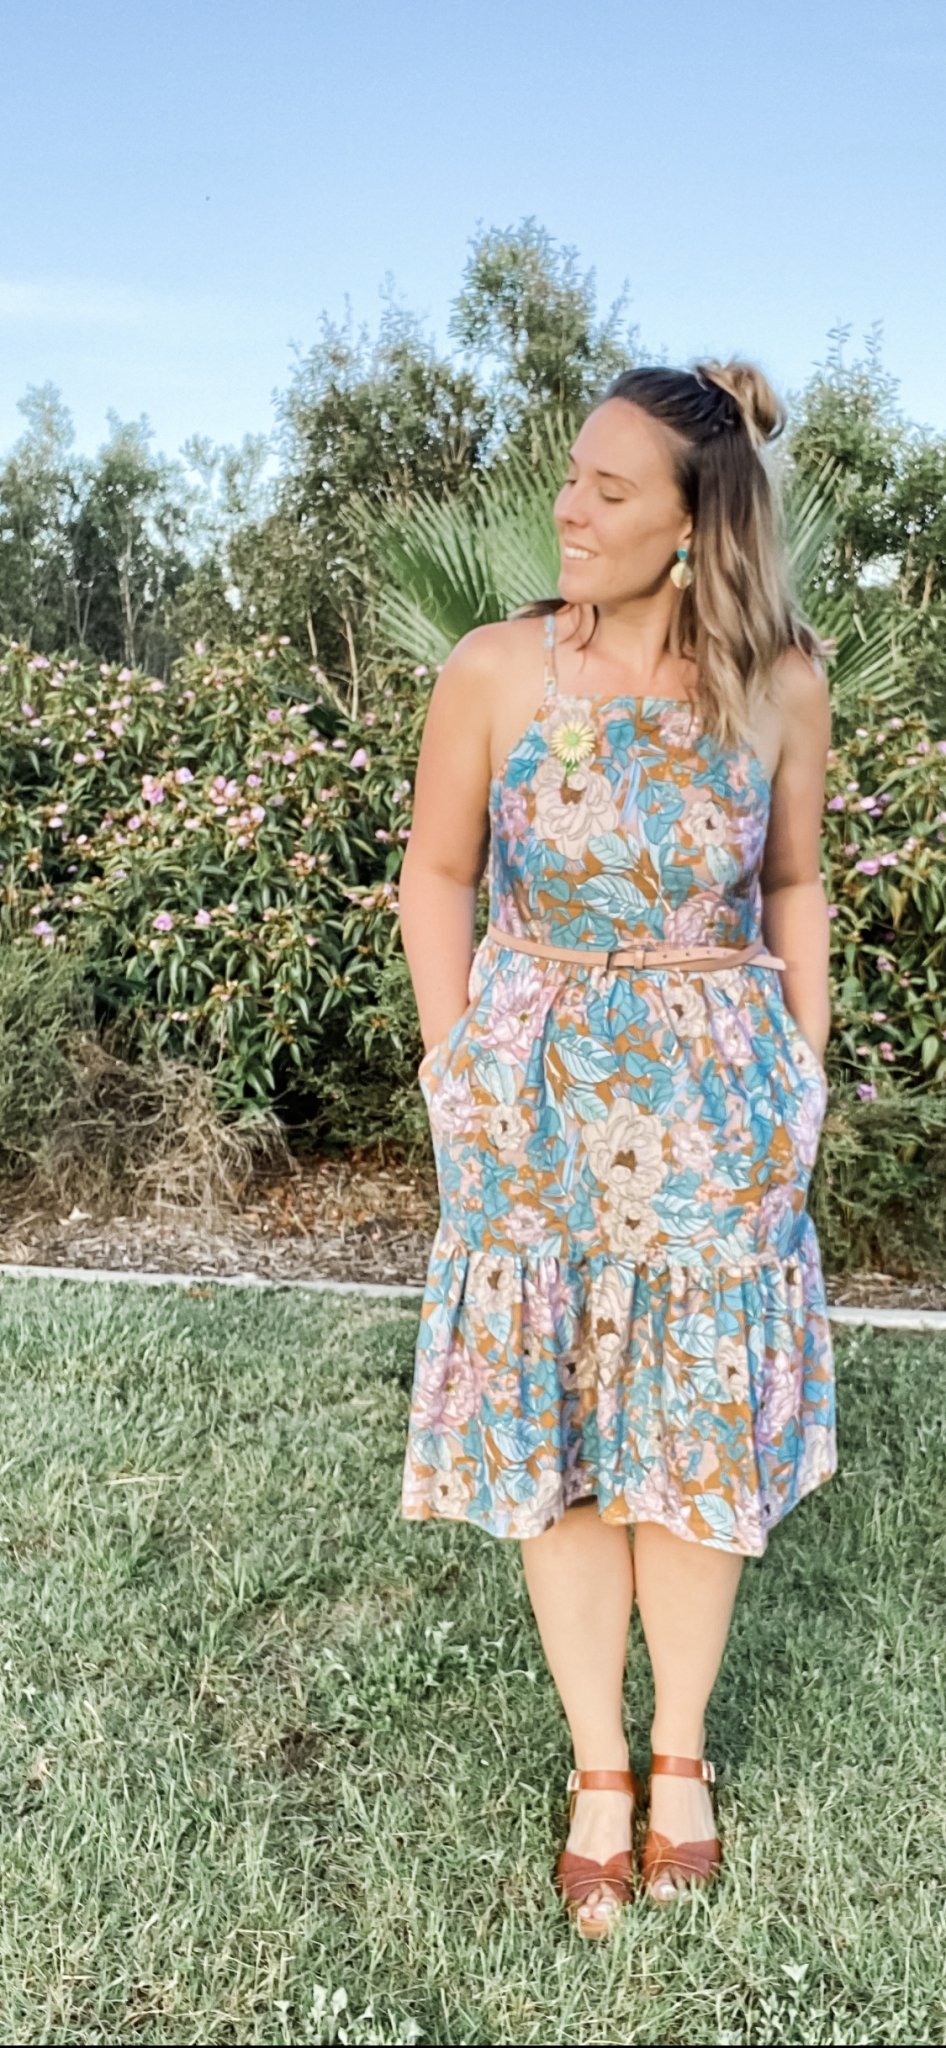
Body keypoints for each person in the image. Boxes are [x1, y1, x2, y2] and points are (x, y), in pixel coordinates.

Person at [397, 359, 836, 1937]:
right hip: (532, 1108)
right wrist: (455, 1064)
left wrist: (800, 1070)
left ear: (693, 522)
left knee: (692, 1443)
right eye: (569, 477)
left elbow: (791, 884)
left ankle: (678, 1754)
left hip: (716, 1111)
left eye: (606, 488)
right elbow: (436, 873)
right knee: (565, 1438)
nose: (566, 509)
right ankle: (598, 1765)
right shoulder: (497, 669)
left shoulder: (777, 680)